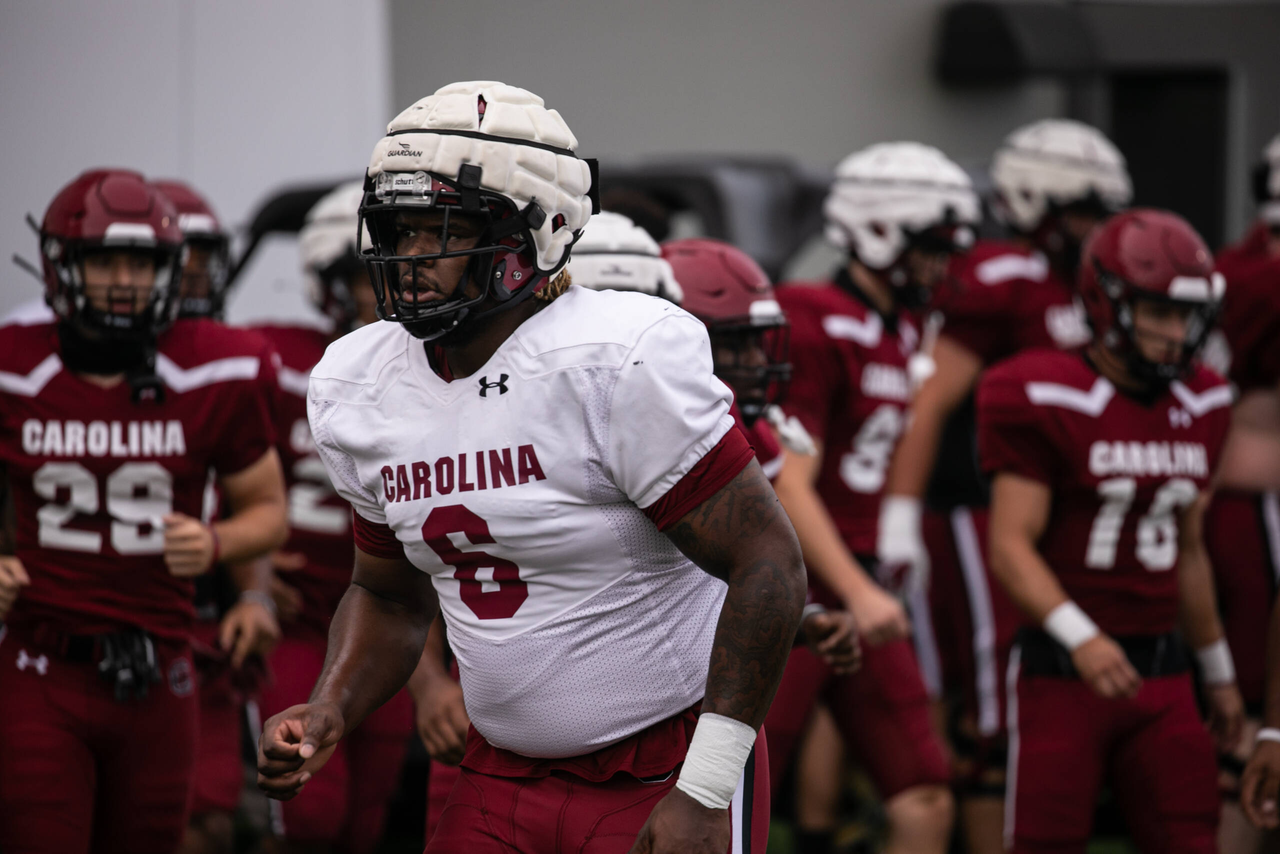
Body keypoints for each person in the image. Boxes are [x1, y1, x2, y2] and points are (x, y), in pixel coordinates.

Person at [256, 80, 806, 854]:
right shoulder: (361, 381)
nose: (410, 260)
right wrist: (331, 705)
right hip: (496, 773)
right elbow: (388, 592)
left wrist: (707, 784)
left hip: (659, 769)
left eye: (439, 231)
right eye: (397, 231)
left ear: (537, 231)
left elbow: (769, 561)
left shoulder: (611, 359)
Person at [0, 168, 288, 854]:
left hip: (163, 672)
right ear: (64, 265)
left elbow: (267, 509)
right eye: (105, 261)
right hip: (44, 664)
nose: (125, 280)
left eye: (142, 262)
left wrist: (218, 543)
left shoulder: (217, 368)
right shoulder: (14, 361)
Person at [877, 118, 1131, 854]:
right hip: (970, 503)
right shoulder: (1000, 274)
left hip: (1035, 502)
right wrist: (900, 514)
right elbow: (931, 399)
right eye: (1081, 210)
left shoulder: (1069, 278)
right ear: (1034, 199)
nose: (1092, 228)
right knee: (992, 696)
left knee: (1003, 689)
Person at [979, 209, 1244, 853]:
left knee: (1190, 837)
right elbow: (1010, 546)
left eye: (1186, 316)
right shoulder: (1043, 390)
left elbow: (1189, 550)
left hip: (1163, 671)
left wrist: (1219, 673)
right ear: (1108, 301)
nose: (1177, 334)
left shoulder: (1203, 399)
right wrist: (1084, 638)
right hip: (1063, 671)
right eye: (1159, 312)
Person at [767, 141, 980, 854]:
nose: (942, 266)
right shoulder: (814, 316)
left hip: (856, 579)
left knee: (924, 796)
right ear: (879, 232)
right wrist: (856, 590)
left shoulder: (898, 325)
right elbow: (789, 480)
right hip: (791, 585)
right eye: (931, 247)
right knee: (735, 801)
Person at [253, 181, 416, 853]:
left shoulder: (434, 363)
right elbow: (225, 475)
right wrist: (248, 572)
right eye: (360, 274)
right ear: (327, 278)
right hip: (299, 614)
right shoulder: (276, 359)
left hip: (395, 613)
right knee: (310, 812)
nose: (376, 289)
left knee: (368, 815)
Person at [145, 179, 284, 854]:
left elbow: (248, 494)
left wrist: (253, 590)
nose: (196, 272)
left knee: (204, 813)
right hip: (84, 608)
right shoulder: (55, 360)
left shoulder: (228, 357)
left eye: (205, 253)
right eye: (183, 253)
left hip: (196, 620)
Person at [1211, 132, 1280, 852]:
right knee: (1260, 704)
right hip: (1254, 501)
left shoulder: (1237, 265)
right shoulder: (1262, 280)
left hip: (1233, 499)